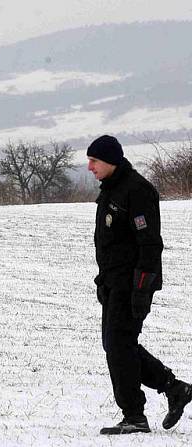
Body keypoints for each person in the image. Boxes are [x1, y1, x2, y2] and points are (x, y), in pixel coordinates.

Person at [87, 135, 192, 435]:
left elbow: (149, 245)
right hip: (113, 282)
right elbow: (111, 244)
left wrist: (142, 288)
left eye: (94, 161)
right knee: (117, 345)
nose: (89, 167)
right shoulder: (111, 190)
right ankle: (174, 388)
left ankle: (134, 415)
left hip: (132, 284)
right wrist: (102, 279)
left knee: (119, 346)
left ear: (110, 161)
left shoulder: (137, 191)